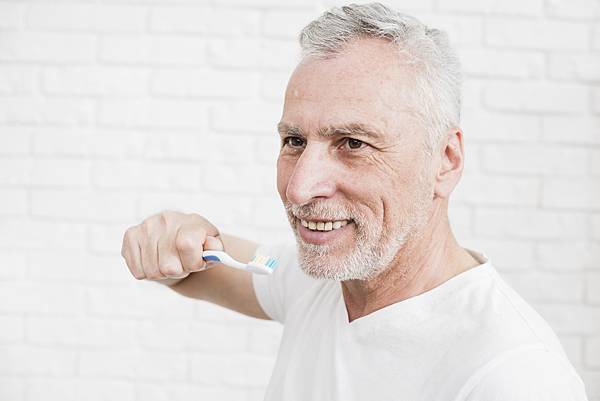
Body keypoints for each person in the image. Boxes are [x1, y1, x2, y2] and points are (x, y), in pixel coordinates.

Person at [120, 3, 589, 400]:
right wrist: (173, 236)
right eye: (294, 141)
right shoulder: (323, 276)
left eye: (352, 143)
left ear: (445, 160)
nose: (301, 189)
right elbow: (208, 265)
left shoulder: (513, 375)